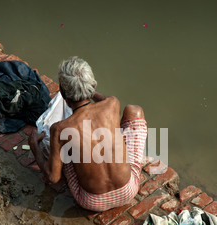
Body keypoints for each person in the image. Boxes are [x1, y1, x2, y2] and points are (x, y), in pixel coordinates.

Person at [29, 56, 147, 212]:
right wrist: (88, 91)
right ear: (93, 86)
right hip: (128, 191)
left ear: (63, 94)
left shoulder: (59, 129)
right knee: (134, 110)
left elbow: (53, 177)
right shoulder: (112, 103)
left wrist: (34, 146)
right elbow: (103, 100)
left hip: (91, 201)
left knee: (65, 148)